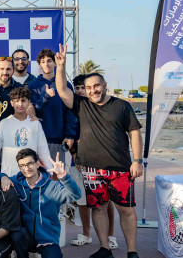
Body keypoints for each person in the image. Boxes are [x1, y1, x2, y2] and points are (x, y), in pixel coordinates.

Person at [55, 44, 143, 258]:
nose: (93, 90)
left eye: (97, 86)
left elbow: (134, 132)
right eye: (89, 87)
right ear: (85, 89)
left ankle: (132, 252)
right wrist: (61, 66)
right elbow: (62, 91)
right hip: (92, 170)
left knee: (126, 211)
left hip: (121, 169)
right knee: (99, 209)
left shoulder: (122, 106)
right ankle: (104, 248)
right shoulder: (82, 105)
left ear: (104, 85)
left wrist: (137, 160)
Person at [0, 148, 81, 258]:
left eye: (29, 164)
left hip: (47, 238)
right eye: (22, 166)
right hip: (24, 236)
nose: (26, 168)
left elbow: (75, 195)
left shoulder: (52, 186)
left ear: (38, 164)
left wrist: (63, 176)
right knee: (15, 234)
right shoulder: (16, 182)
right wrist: (2, 176)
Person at [69, 74, 118, 249]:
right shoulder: (72, 107)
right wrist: (75, 152)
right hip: (79, 161)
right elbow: (70, 134)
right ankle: (86, 234)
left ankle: (111, 236)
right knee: (83, 200)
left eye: (84, 87)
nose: (81, 91)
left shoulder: (100, 107)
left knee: (106, 201)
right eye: (78, 88)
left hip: (101, 162)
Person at [27, 49, 77, 166]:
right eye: (43, 61)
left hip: (59, 141)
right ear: (39, 65)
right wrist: (46, 96)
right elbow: (35, 109)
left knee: (58, 178)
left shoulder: (65, 84)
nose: (46, 64)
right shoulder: (33, 86)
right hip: (38, 141)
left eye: (49, 61)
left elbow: (71, 111)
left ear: (55, 63)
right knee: (40, 178)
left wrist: (69, 135)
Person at [0, 87, 52, 176]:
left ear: (29, 102)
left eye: (23, 100)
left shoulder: (35, 124)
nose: (20, 104)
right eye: (16, 101)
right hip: (10, 176)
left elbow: (43, 150)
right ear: (11, 103)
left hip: (31, 176)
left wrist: (51, 171)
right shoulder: (4, 123)